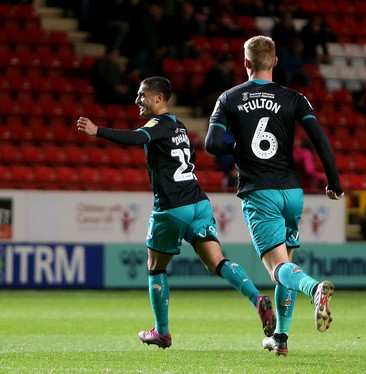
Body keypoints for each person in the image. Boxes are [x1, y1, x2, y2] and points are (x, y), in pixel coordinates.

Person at [77, 76, 276, 349]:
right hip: (199, 203)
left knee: (155, 267)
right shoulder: (180, 127)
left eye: (142, 94)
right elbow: (190, 160)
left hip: (171, 207)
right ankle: (256, 298)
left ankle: (162, 331)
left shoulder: (156, 125)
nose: (138, 100)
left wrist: (97, 130)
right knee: (216, 262)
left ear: (159, 98)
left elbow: (137, 138)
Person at [205, 35, 344, 356]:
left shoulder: (229, 98)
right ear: (276, 61)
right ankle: (280, 337)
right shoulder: (294, 98)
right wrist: (334, 182)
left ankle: (315, 288)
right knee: (287, 264)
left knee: (277, 267)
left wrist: (236, 145)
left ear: (245, 63)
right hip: (292, 193)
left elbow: (212, 144)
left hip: (260, 191)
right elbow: (320, 140)